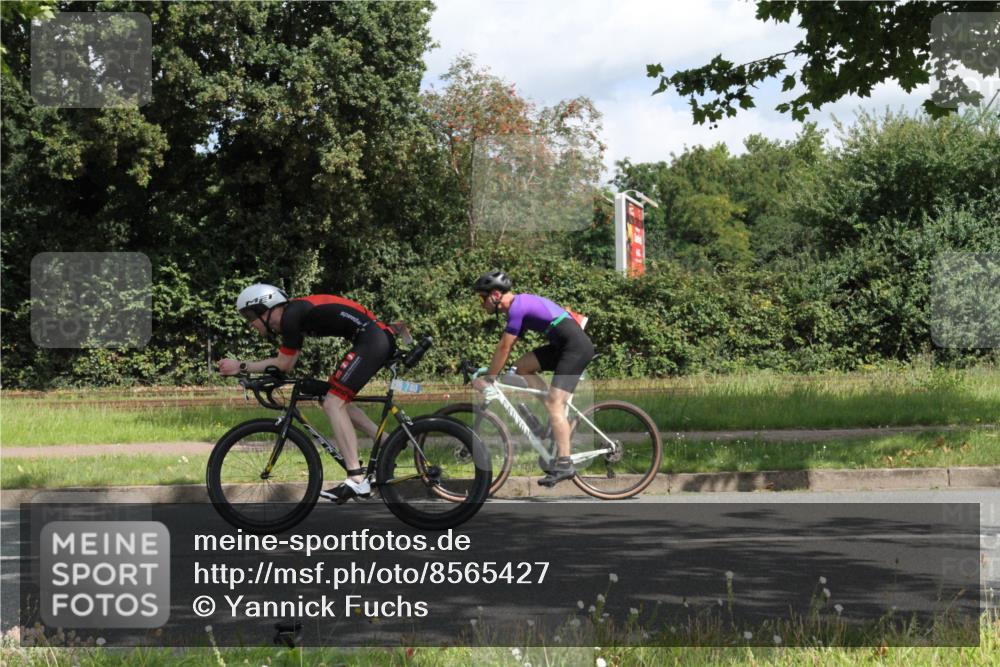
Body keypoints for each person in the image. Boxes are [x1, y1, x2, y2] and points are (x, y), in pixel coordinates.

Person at [218, 283, 405, 502]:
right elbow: (285, 364)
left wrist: (240, 366)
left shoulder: (291, 316)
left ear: (265, 309)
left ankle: (356, 480)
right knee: (330, 397)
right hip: (373, 337)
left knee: (333, 403)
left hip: (372, 339)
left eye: (250, 316)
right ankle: (388, 442)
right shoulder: (295, 315)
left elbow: (284, 364)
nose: (250, 324)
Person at [471, 270, 595, 486]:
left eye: (482, 298)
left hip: (575, 347)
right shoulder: (518, 306)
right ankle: (550, 421)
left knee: (555, 404)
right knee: (521, 367)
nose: (481, 304)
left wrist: (490, 377)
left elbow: (504, 347)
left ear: (495, 295)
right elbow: (508, 354)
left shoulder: (517, 307)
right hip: (563, 345)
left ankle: (564, 463)